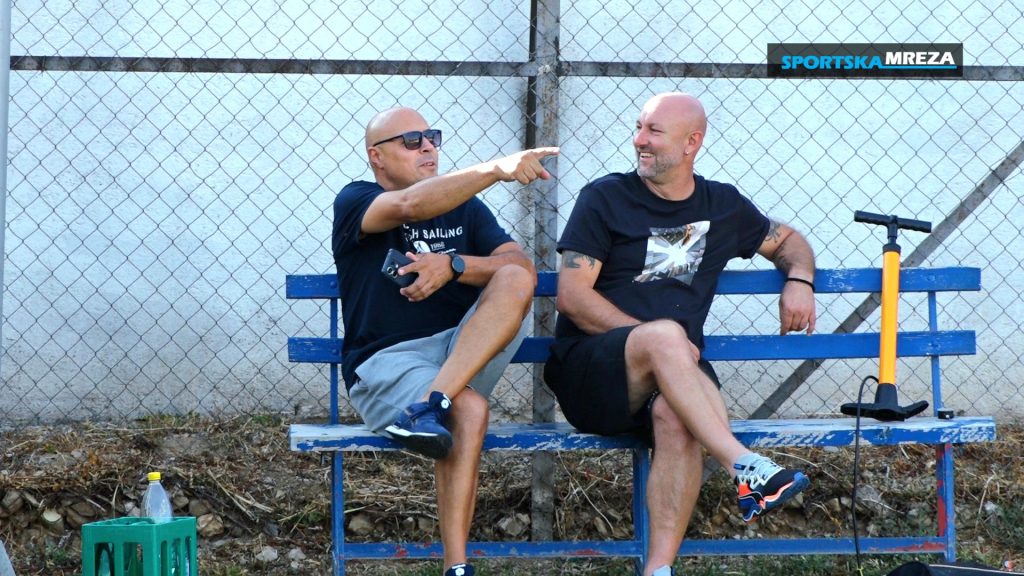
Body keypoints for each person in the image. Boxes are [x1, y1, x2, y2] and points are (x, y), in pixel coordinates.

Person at [543, 92, 817, 576]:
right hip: (593, 373)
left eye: (653, 131)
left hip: (676, 372)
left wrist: (799, 280)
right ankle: (743, 465)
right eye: (638, 128)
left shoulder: (722, 206)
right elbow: (572, 297)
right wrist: (658, 340)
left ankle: (659, 569)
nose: (639, 140)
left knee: (677, 414)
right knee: (667, 336)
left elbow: (788, 241)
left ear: (692, 143)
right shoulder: (605, 198)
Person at [332, 106, 558, 576]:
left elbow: (521, 267)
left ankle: (430, 404)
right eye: (411, 141)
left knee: (516, 277)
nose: (427, 147)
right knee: (469, 409)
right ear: (376, 156)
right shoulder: (357, 200)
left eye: (431, 137)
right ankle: (457, 567)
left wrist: (454, 265)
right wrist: (496, 169)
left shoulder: (467, 208)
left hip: (462, 352)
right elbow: (409, 206)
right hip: (388, 364)